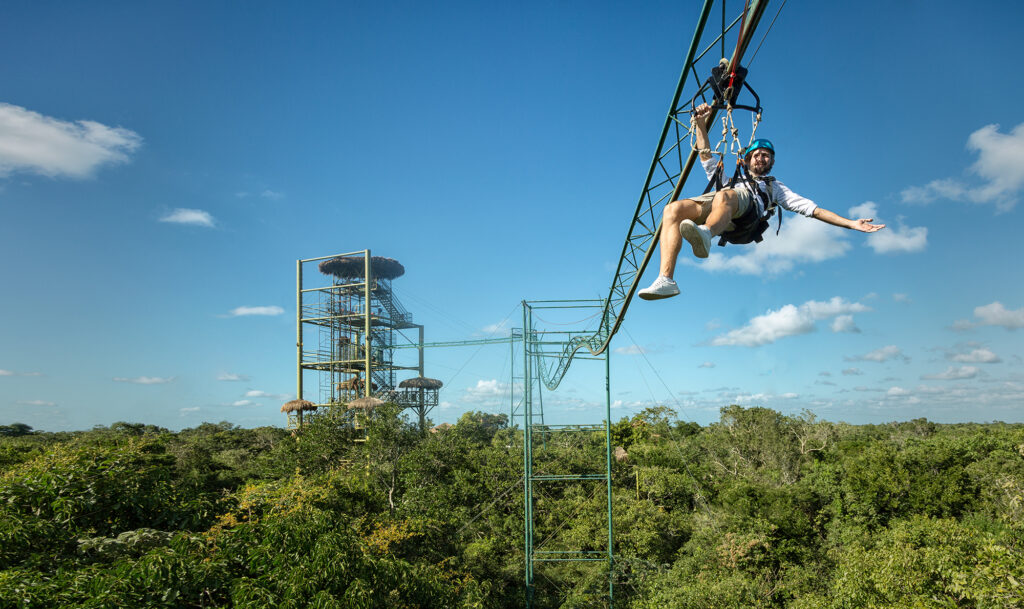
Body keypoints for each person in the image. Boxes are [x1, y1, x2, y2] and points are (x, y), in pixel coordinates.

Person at [638, 103, 886, 300]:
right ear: (747, 159)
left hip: (745, 218)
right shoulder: (729, 177)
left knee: (726, 195)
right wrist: (701, 123)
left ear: (772, 162)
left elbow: (815, 210)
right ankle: (666, 279)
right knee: (673, 210)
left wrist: (851, 224)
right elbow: (705, 153)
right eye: (756, 155)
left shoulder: (775, 188)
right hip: (724, 205)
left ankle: (706, 234)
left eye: (765, 156)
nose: (760, 158)